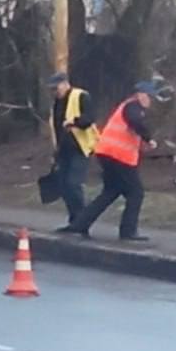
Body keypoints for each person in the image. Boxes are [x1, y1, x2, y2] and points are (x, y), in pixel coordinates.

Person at [60, 81, 159, 241]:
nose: (151, 101)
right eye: (150, 96)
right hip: (119, 156)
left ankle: (79, 225)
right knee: (136, 193)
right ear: (140, 94)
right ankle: (128, 232)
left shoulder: (128, 106)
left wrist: (141, 143)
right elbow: (134, 122)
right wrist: (149, 138)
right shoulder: (133, 106)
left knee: (110, 192)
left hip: (107, 153)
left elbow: (129, 131)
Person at [47, 72, 99, 224]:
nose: (54, 92)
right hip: (63, 150)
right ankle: (74, 219)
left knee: (73, 184)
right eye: (52, 89)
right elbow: (56, 128)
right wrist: (55, 152)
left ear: (65, 84)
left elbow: (89, 118)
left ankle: (82, 219)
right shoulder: (56, 103)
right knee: (64, 186)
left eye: (56, 88)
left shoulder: (81, 96)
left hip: (81, 147)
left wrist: (74, 122)